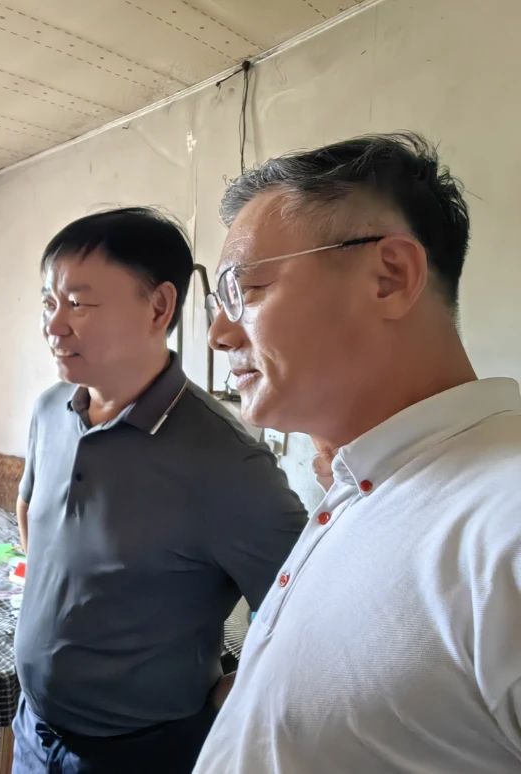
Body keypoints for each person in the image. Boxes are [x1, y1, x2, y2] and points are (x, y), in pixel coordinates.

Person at [196, 133, 521, 771]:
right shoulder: (361, 486)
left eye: (245, 289)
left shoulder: (503, 519)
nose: (218, 333)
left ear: (389, 276)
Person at [13, 207, 306, 773]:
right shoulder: (51, 410)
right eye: (49, 303)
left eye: (78, 303)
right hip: (33, 729)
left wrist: (227, 702)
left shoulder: (226, 462)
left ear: (158, 307)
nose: (55, 325)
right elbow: (29, 509)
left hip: (142, 753)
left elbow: (307, 616)